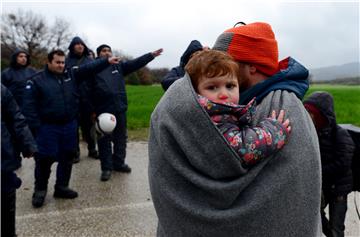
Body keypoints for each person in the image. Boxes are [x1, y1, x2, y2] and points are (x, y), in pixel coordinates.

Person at [148, 22, 321, 236]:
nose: (218, 65)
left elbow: (287, 194)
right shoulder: (229, 102)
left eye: (227, 59)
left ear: (252, 66)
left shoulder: (283, 107)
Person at [23, 49, 120, 208]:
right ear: (49, 62)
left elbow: (88, 69)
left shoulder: (71, 75)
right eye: (58, 62)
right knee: (44, 161)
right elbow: (29, 109)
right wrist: (35, 130)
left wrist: (106, 61)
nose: (61, 65)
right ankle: (40, 190)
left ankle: (61, 187)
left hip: (69, 126)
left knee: (67, 157)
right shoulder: (36, 81)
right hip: (47, 128)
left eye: (63, 62)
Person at [185, 49, 291, 166]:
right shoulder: (213, 117)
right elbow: (243, 149)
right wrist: (274, 131)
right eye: (212, 87)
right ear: (195, 92)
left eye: (230, 86)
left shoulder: (221, 112)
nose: (224, 94)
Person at [88, 44, 163, 181]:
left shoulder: (118, 66)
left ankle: (119, 163)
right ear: (98, 55)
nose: (107, 52)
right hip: (103, 111)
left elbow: (135, 63)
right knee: (104, 141)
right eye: (104, 51)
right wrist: (92, 110)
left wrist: (150, 55)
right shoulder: (93, 70)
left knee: (120, 138)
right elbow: (87, 92)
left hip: (119, 108)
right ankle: (106, 168)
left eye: (109, 50)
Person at [304, 91, 355, 237]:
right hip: (323, 188)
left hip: (339, 190)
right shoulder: (311, 134)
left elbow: (343, 163)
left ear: (322, 115)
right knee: (317, 219)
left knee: (336, 229)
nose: (308, 115)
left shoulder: (340, 135)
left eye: (311, 112)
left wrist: (318, 170)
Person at [1, 84, 37, 237]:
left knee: (6, 193)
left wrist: (27, 144)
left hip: (2, 155)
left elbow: (16, 118)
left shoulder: (2, 91)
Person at [1, 49, 37, 169]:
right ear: (15, 58)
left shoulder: (32, 72)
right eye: (20, 56)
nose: (23, 58)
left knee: (28, 134)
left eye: (25, 56)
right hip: (11, 110)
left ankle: (35, 155)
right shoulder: (7, 73)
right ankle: (14, 159)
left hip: (30, 110)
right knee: (13, 136)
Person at [66, 36, 99, 162]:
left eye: (82, 44)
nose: (80, 46)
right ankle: (75, 153)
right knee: (73, 129)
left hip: (88, 100)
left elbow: (96, 81)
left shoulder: (90, 60)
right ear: (72, 46)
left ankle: (92, 149)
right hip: (72, 101)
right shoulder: (67, 61)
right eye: (77, 44)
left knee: (89, 128)